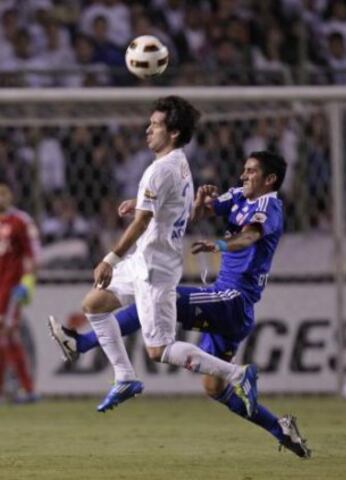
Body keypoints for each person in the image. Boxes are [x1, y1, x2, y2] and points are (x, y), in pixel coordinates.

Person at [49, 150, 311, 458]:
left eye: (252, 171)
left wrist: (222, 244)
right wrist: (160, 205)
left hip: (232, 300)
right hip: (224, 304)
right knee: (214, 388)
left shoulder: (271, 207)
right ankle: (280, 428)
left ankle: (82, 344)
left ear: (270, 179)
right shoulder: (240, 195)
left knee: (158, 295)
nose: (244, 175)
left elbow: (251, 236)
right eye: (244, 169)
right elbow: (194, 212)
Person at [50, 96, 258, 418]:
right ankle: (125, 377)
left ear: (173, 132)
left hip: (155, 270)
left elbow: (144, 222)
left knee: (159, 350)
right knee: (93, 304)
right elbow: (176, 213)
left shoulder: (159, 170)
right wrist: (141, 204)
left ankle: (237, 374)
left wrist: (110, 259)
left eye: (156, 125)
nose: (148, 130)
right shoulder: (180, 164)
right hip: (144, 261)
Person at [0, 180, 40, 403]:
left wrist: (27, 283)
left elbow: (33, 255)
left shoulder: (20, 221)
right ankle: (21, 388)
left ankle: (26, 387)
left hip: (10, 286)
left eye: (3, 193)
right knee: (5, 336)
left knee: (7, 332)